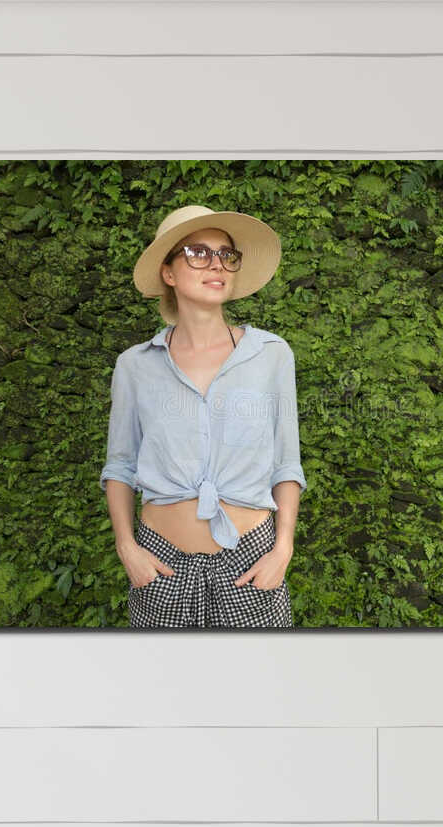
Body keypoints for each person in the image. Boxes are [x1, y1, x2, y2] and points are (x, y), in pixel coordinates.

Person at [100, 204, 305, 628]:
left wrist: (282, 550)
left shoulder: (271, 355)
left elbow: (287, 463)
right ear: (168, 273)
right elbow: (120, 466)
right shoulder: (136, 365)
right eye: (198, 252)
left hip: (251, 565)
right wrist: (128, 549)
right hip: (160, 566)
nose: (217, 264)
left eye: (226, 255)